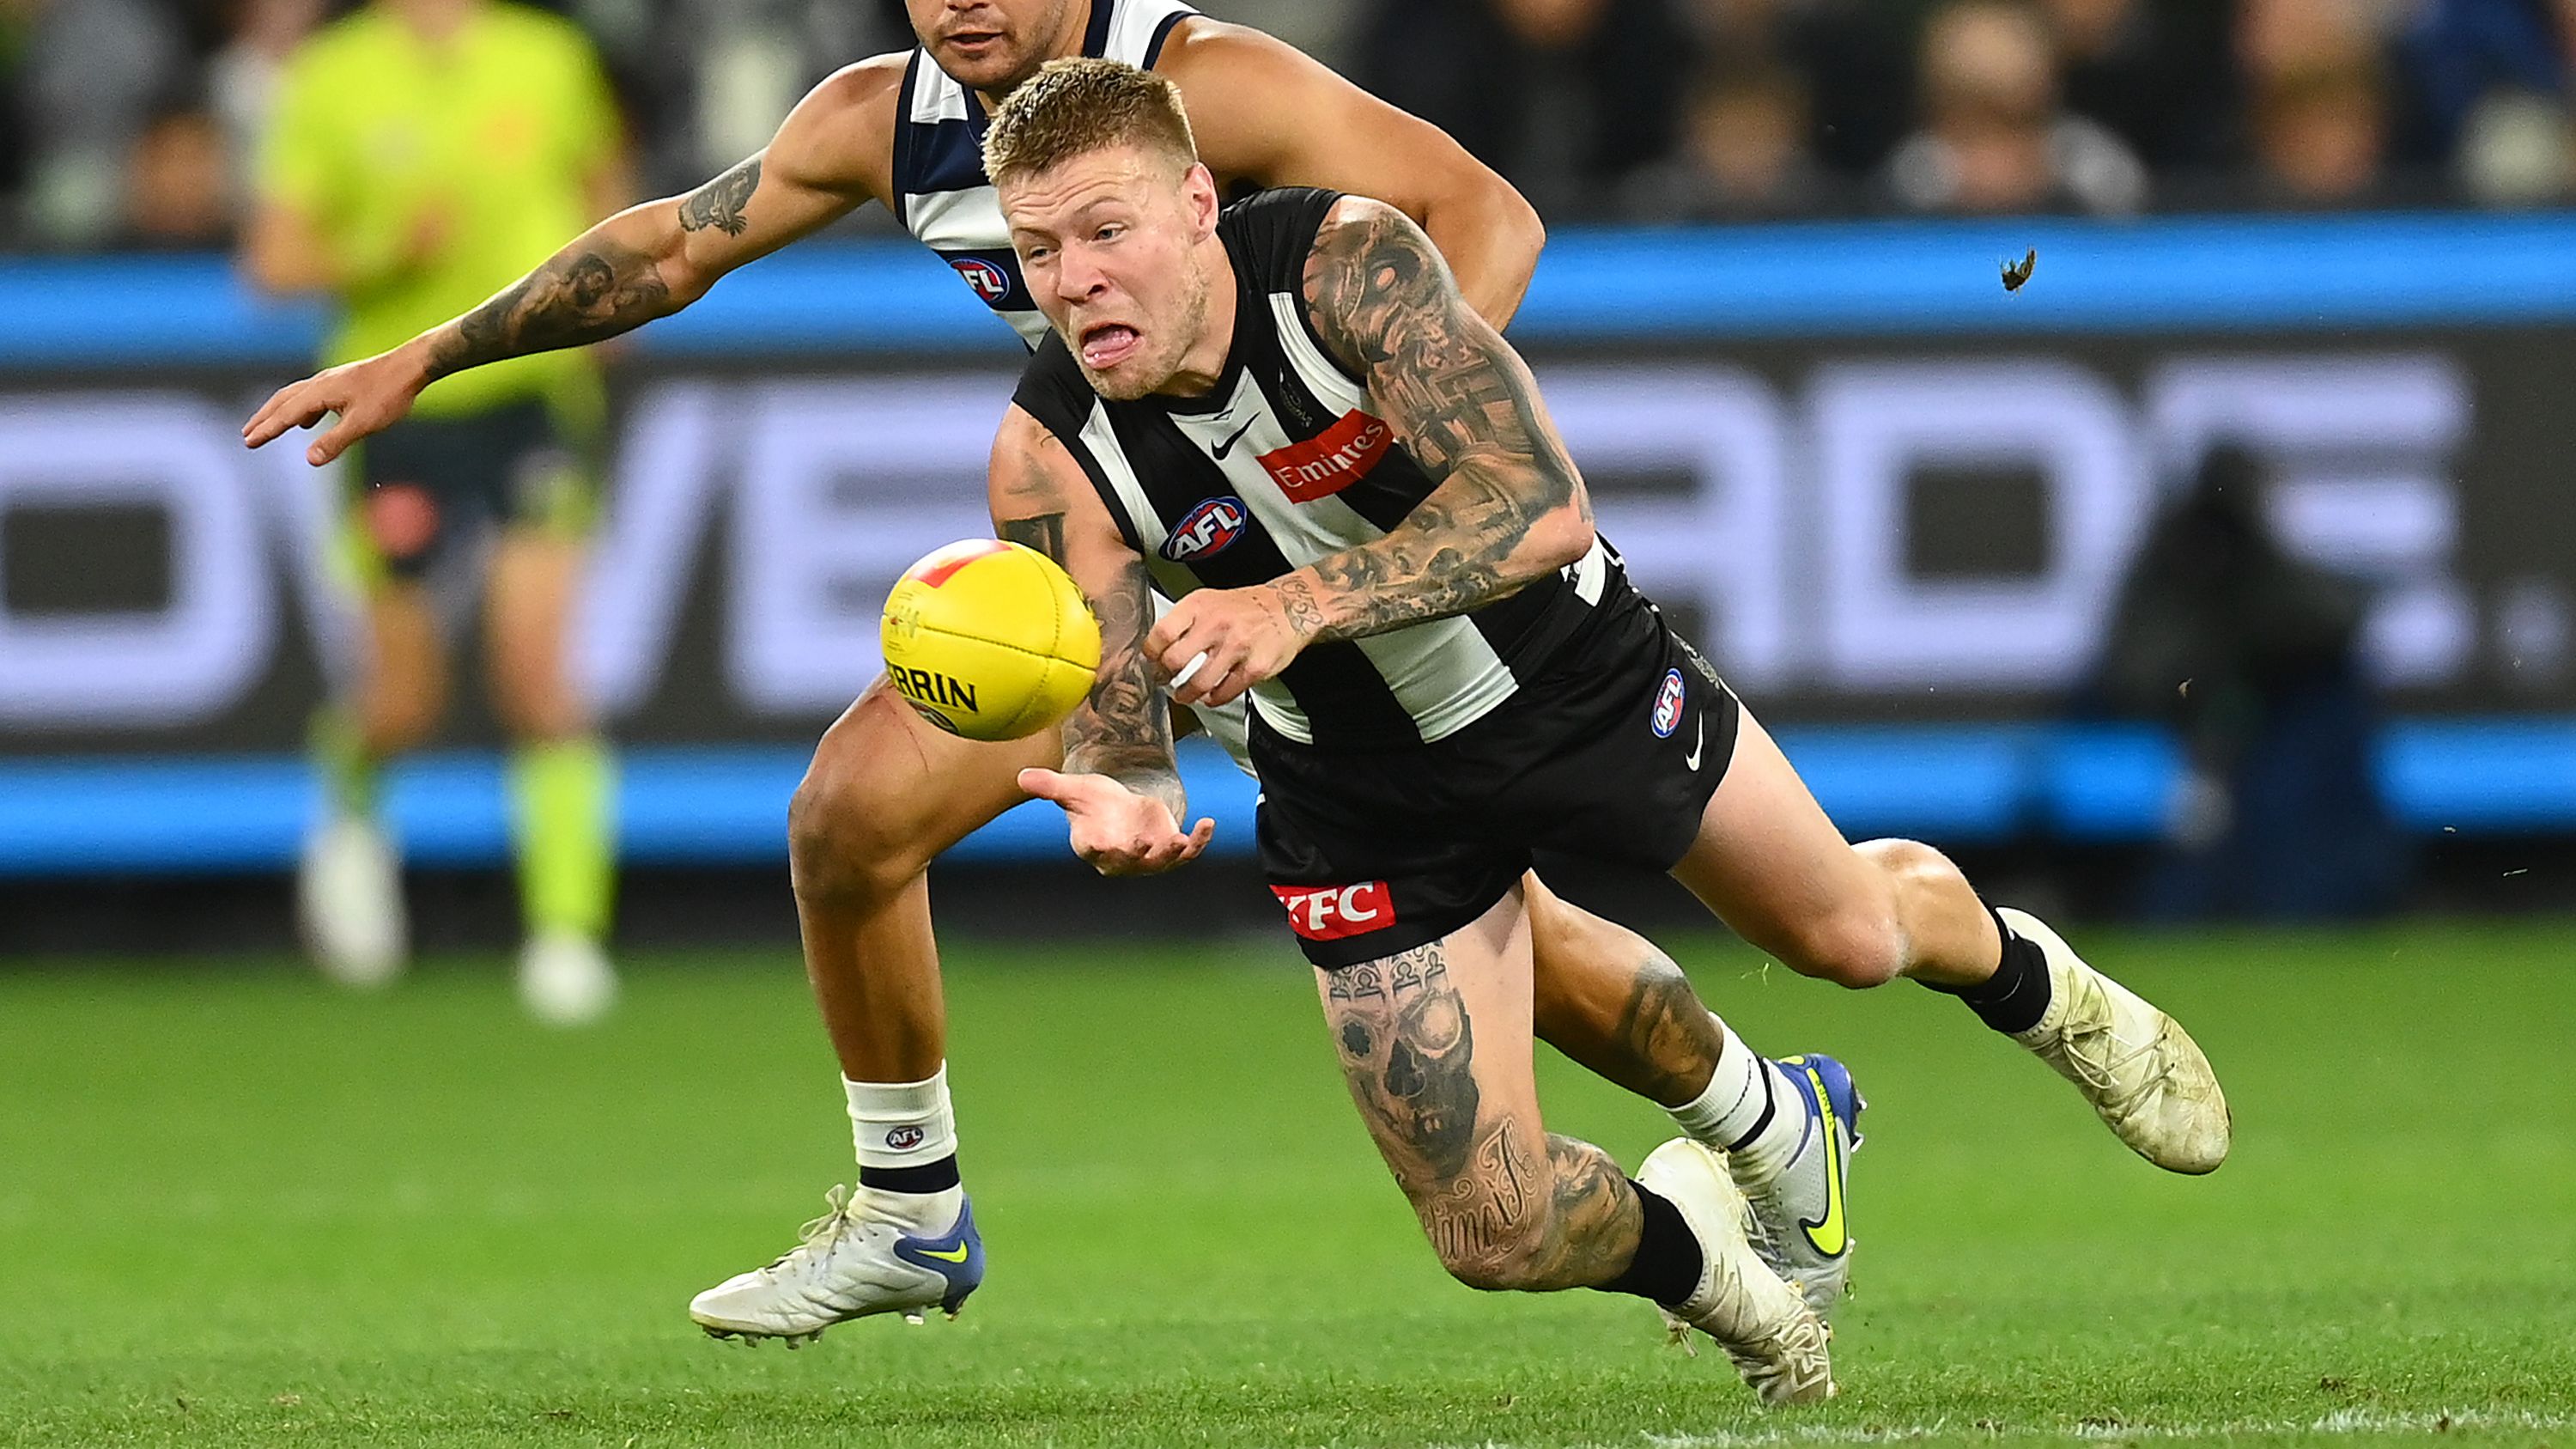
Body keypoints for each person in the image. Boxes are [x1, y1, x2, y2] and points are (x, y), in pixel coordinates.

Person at [243, 0, 1837, 1345]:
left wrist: (1333, 481)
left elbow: (1486, 218)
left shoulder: (1204, 84)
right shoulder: (886, 119)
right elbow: (668, 251)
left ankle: (1766, 1115)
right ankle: (910, 1208)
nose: (961, 3)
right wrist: (429, 352)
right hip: (1120, 564)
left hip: (1308, 578)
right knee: (848, 819)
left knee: (1514, 941)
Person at [979, 57, 2233, 1397]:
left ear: (1196, 201)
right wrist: (1125, 792)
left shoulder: (1343, 267)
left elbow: (1540, 502)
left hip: (1573, 678)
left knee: (1846, 938)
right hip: (1353, 791)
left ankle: (2037, 988)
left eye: (1106, 230)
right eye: (1038, 248)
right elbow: (1118, 716)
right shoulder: (1050, 454)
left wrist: (1294, 603)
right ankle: (1713, 1267)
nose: (1075, 278)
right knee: (1490, 1228)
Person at [242, 0, 631, 1024]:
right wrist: (382, 251)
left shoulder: (547, 55)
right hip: (395, 413)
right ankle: (351, 831)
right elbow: (275, 262)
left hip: (534, 397)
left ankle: (565, 935)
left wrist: (613, 305)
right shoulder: (335, 74)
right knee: (404, 699)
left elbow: (607, 186)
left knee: (540, 676)